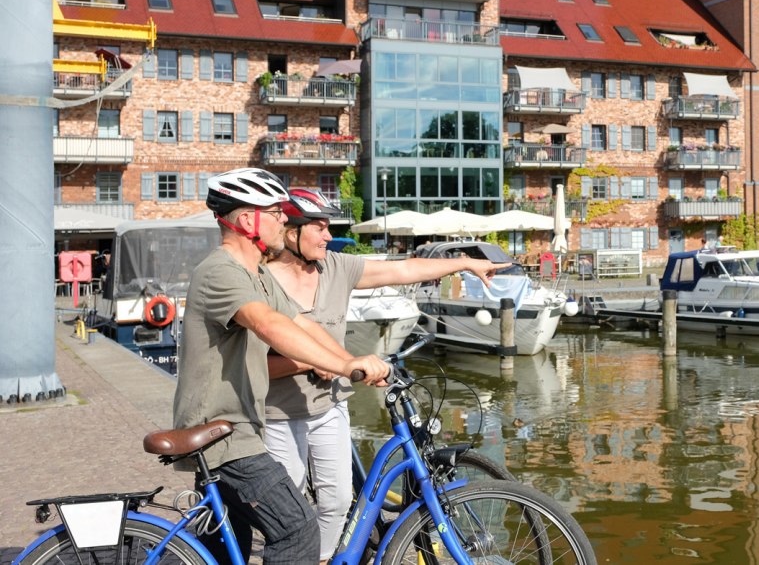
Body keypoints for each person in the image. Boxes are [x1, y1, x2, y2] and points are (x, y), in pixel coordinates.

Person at [263, 189, 510, 564]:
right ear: (291, 231)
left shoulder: (335, 267)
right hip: (277, 412)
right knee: (290, 507)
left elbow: (404, 268)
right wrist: (308, 362)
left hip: (329, 405)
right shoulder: (262, 282)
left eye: (328, 226)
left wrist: (465, 263)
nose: (328, 236)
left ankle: (322, 558)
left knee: (338, 499)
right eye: (319, 226)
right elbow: (251, 366)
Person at [172, 168, 390, 565]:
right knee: (298, 529)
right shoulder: (221, 272)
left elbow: (298, 322)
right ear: (246, 220)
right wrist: (345, 368)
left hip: (237, 427)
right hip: (224, 435)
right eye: (274, 212)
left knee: (227, 547)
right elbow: (270, 326)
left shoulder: (255, 274)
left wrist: (347, 361)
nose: (284, 220)